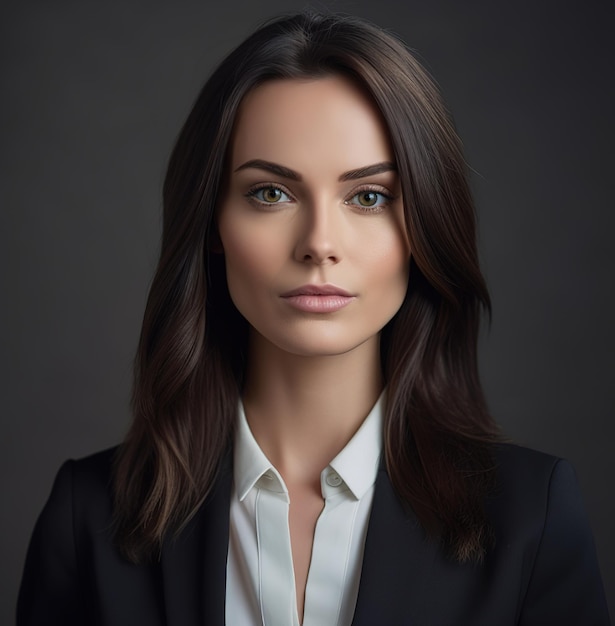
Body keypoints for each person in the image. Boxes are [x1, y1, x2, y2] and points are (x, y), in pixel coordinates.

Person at [17, 11, 609, 626]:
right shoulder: (87, 516)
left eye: (369, 196)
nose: (319, 243)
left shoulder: (531, 517)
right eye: (270, 193)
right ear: (211, 223)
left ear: (425, 228)